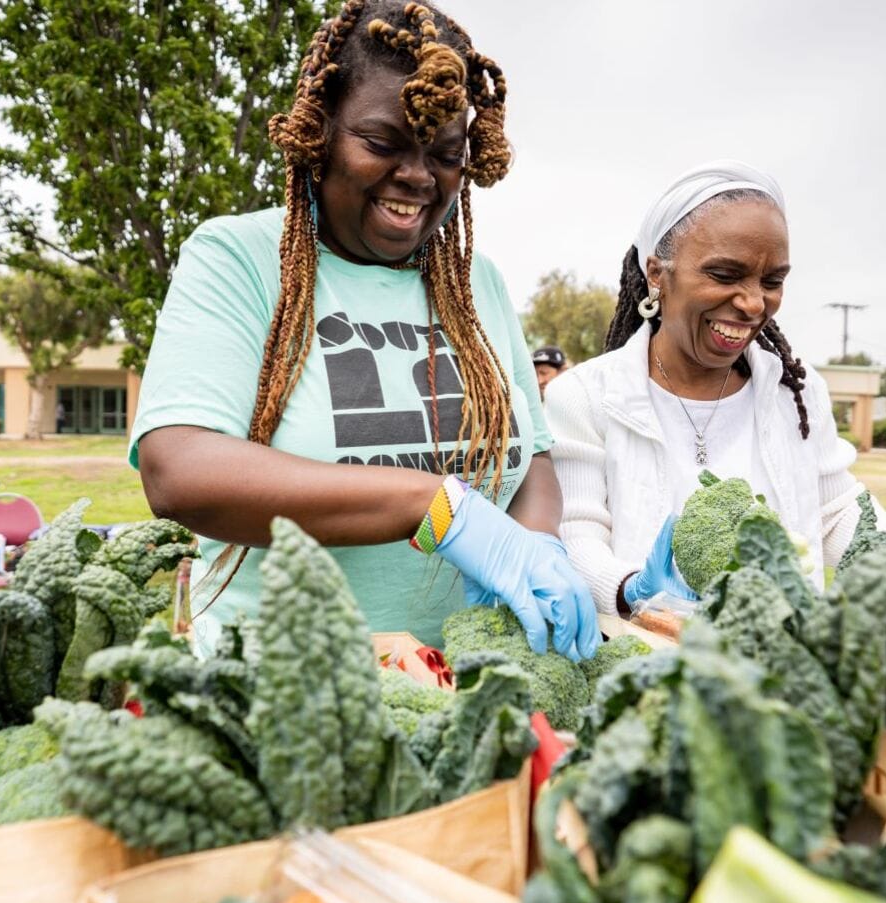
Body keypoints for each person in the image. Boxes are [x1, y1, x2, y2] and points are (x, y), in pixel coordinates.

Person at [130, 0, 597, 658]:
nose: (416, 176)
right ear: (320, 130)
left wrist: (536, 543)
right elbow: (179, 470)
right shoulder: (239, 257)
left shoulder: (476, 282)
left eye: (445, 154)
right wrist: (438, 508)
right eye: (382, 144)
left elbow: (533, 457)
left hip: (467, 686)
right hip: (284, 692)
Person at [544, 161, 886, 616]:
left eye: (772, 281)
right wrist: (632, 591)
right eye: (725, 276)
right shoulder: (584, 397)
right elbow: (573, 534)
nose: (752, 303)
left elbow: (840, 513)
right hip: (645, 669)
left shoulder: (796, 392)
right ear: (656, 274)